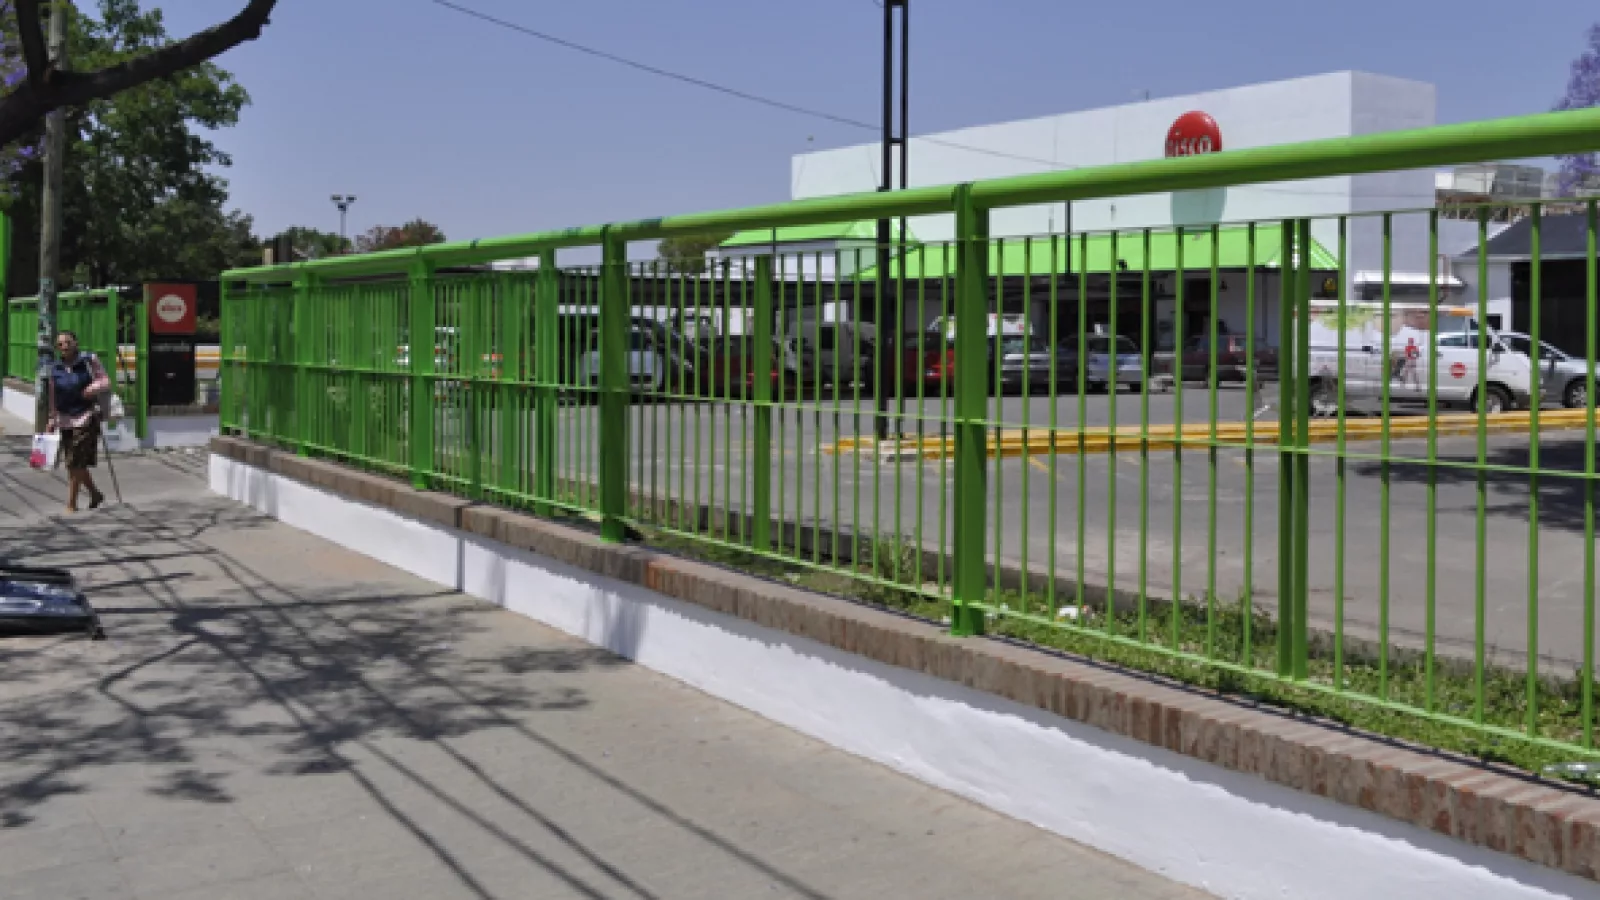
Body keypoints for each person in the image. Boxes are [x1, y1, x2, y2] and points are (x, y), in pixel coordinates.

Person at [46, 330, 109, 512]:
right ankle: (95, 494)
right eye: (60, 344)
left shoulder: (88, 361)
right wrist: (52, 418)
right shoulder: (55, 368)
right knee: (75, 463)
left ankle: (71, 504)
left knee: (74, 463)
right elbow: (53, 395)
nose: (64, 347)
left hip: (86, 416)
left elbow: (105, 381)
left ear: (75, 343)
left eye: (68, 342)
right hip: (65, 419)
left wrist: (92, 388)